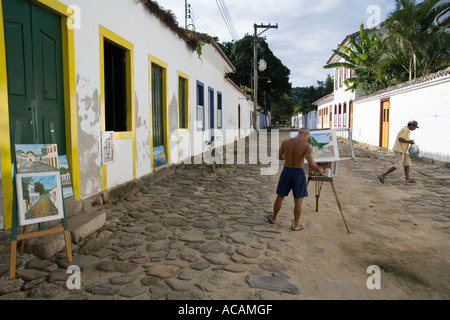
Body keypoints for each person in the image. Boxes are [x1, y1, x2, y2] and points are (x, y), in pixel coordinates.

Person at [266, 127, 324, 231]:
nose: (307, 139)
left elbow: (279, 156)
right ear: (305, 135)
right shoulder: (306, 146)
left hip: (286, 171)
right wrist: (319, 170)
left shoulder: (286, 141)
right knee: (298, 200)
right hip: (297, 173)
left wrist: (288, 157)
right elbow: (311, 163)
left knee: (280, 197)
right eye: (308, 137)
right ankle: (296, 225)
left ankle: (273, 218)